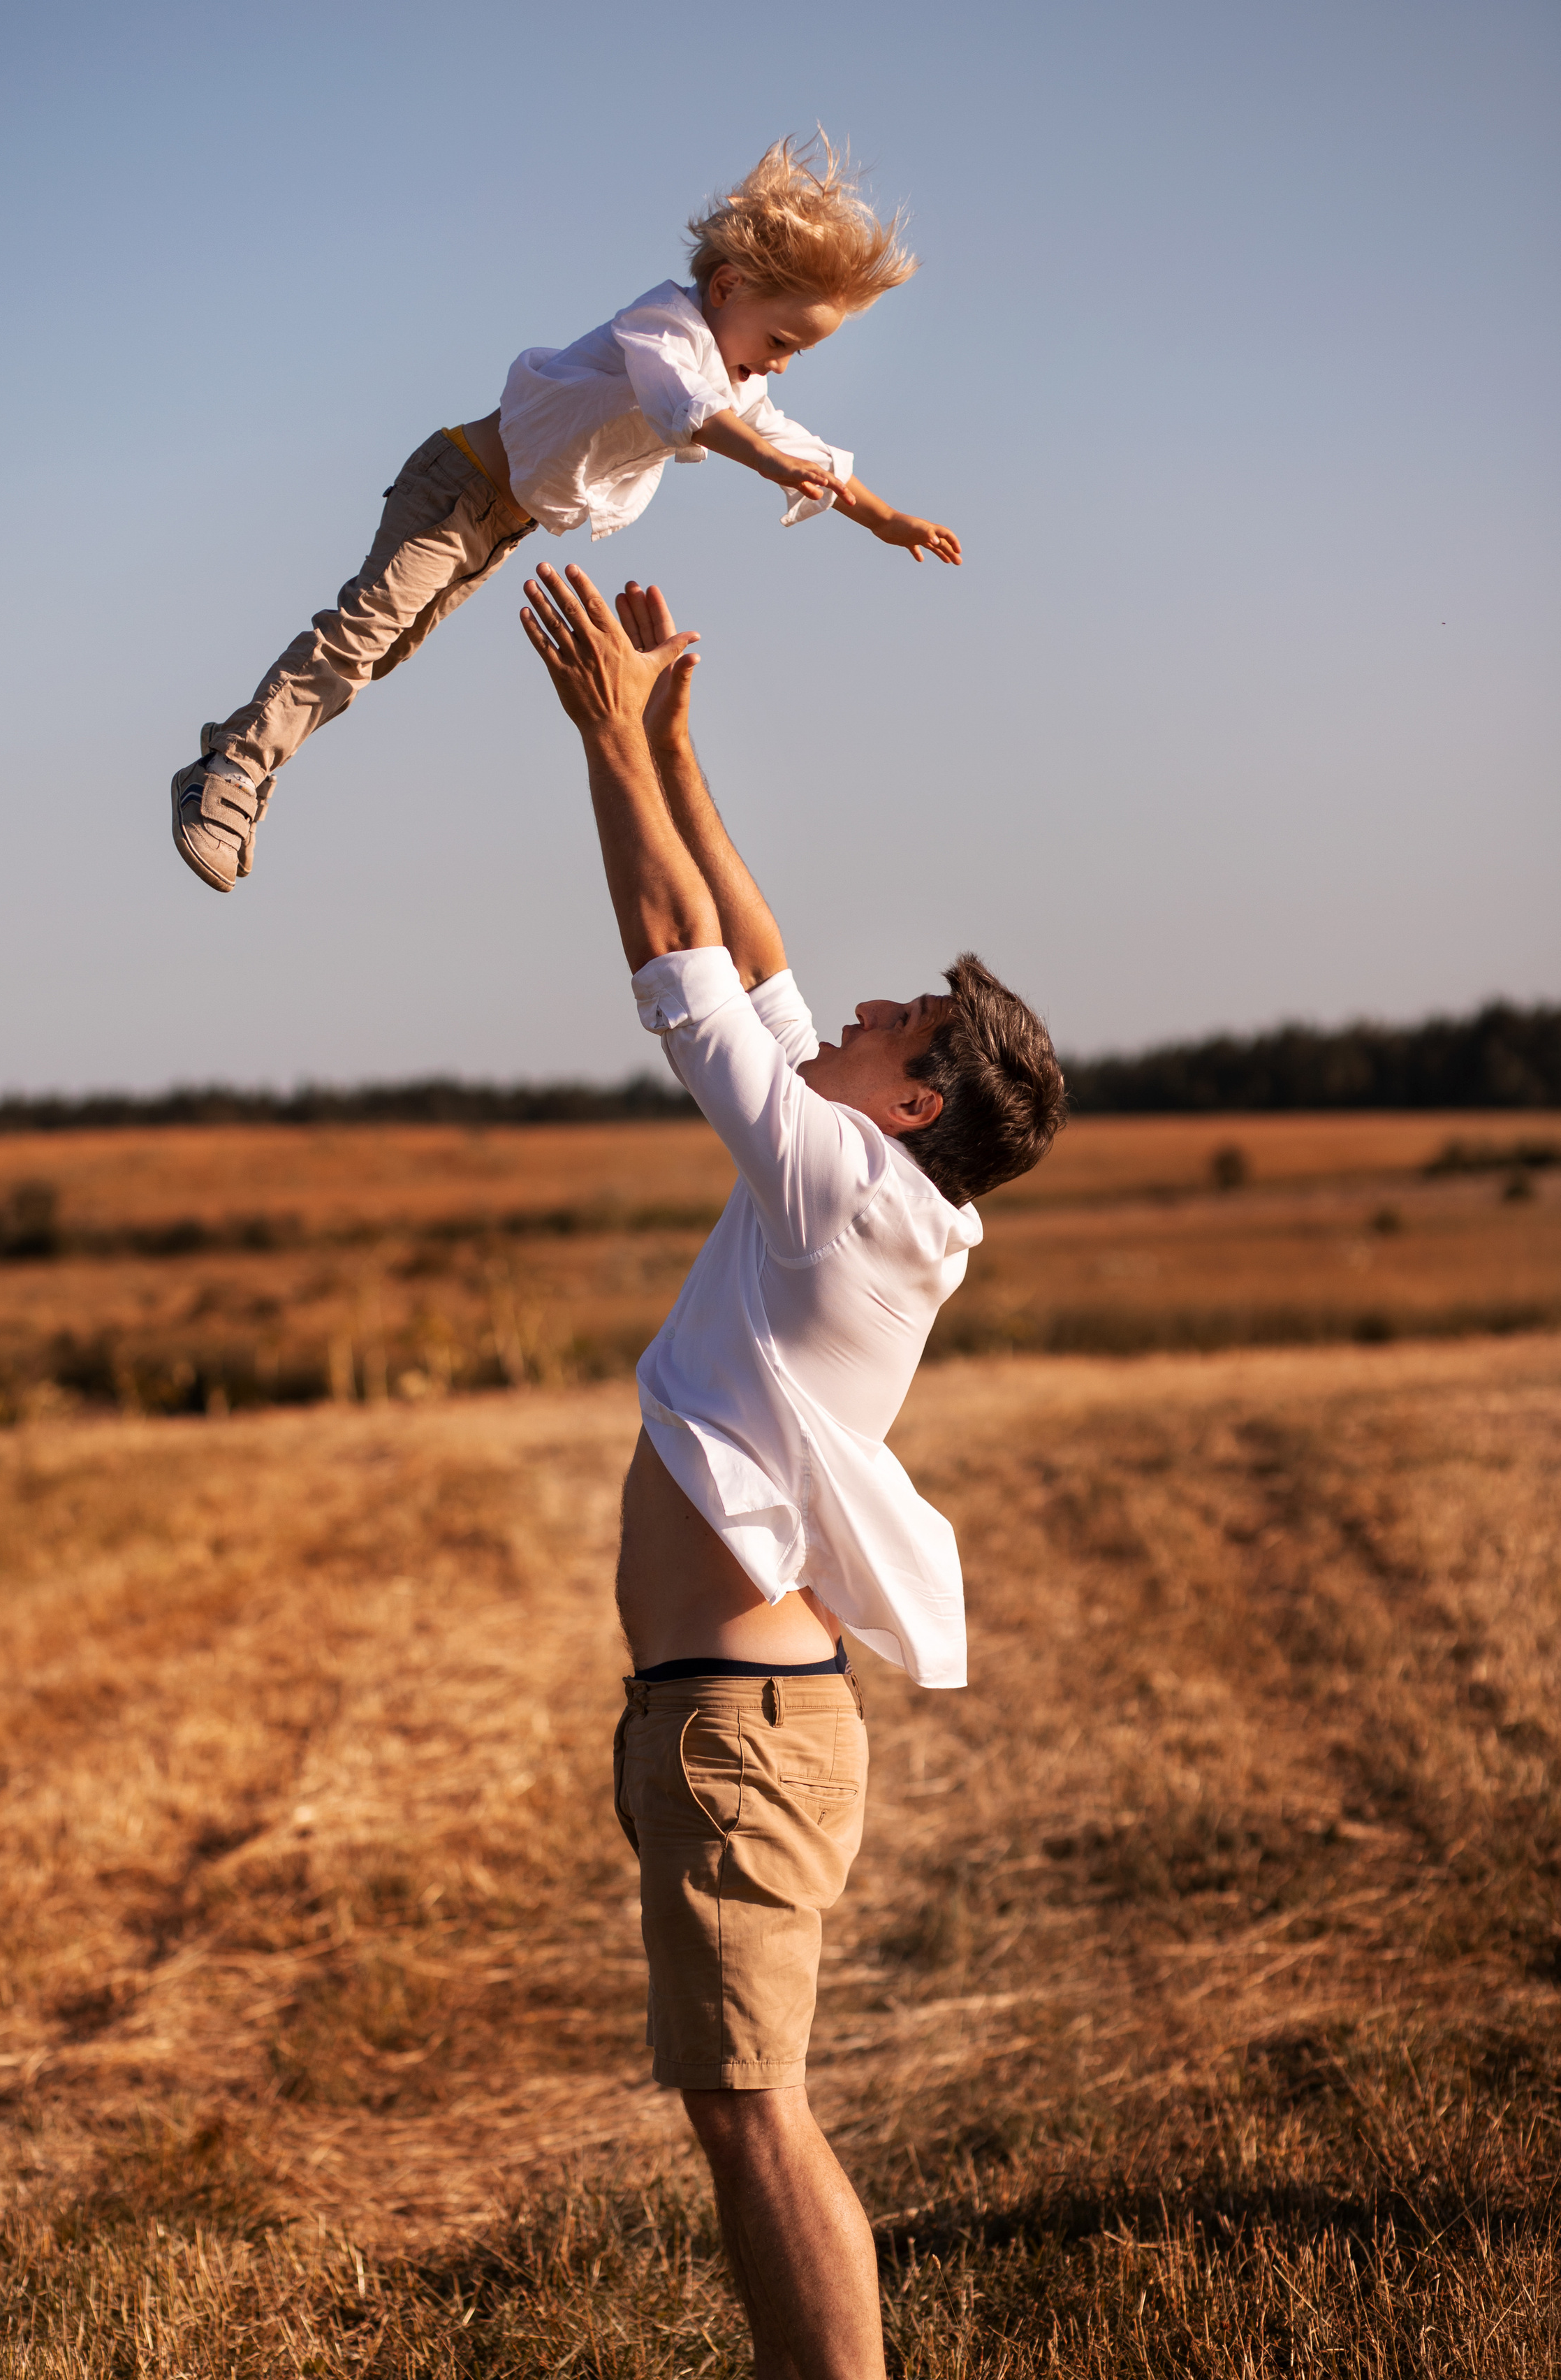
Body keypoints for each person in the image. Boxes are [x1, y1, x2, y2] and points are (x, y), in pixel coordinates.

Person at [518, 561, 1066, 2378]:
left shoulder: (837, 1188)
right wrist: (679, 749)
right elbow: (760, 971)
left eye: (893, 1023)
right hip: (725, 1712)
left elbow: (686, 971)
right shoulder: (884, 1195)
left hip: (737, 1722)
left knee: (757, 2110)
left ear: (910, 1100)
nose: (853, 1006)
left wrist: (606, 739)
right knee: (741, 2101)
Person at [173, 136, 961, 894]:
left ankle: (247, 748)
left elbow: (798, 445)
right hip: (455, 487)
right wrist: (762, 460)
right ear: (726, 288)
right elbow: (686, 407)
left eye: (797, 354)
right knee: (363, 633)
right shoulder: (664, 328)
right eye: (781, 340)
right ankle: (232, 768)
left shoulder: (734, 382)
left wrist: (883, 517)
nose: (781, 365)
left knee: (387, 652)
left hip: (501, 525)